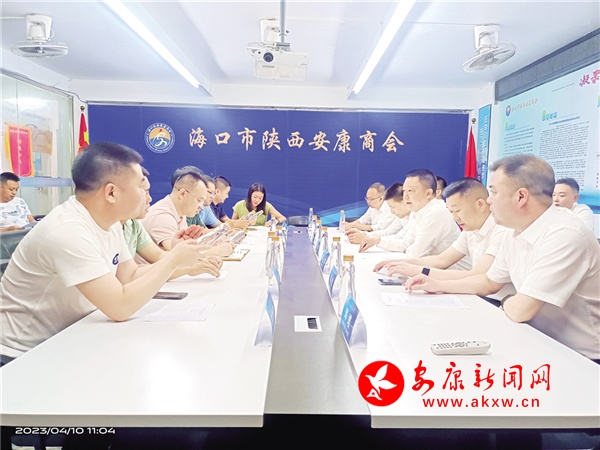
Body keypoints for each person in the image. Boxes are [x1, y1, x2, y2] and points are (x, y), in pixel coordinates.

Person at [0, 142, 206, 362]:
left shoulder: (111, 223)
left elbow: (130, 276)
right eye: (141, 187)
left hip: (71, 337)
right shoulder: (67, 231)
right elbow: (120, 307)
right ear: (111, 192)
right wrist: (173, 261)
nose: (147, 196)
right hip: (23, 355)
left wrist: (179, 261)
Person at [405, 155, 600, 362]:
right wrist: (438, 285)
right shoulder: (514, 231)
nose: (489, 200)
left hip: (581, 356)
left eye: (494, 192)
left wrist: (506, 300)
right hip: (538, 339)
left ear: (521, 196)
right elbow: (488, 281)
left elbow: (521, 310)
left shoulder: (565, 234)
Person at [374, 178, 506, 280]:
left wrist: (421, 271)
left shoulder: (501, 229)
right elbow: (442, 259)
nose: (455, 218)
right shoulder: (470, 229)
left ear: (480, 205)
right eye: (451, 212)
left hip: (494, 300)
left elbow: (478, 276)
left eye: (457, 210)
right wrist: (399, 263)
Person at [122, 168, 222, 278]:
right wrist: (191, 265)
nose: (149, 199)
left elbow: (160, 255)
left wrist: (195, 260)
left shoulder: (133, 224)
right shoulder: (161, 216)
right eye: (199, 200)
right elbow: (129, 275)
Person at [359, 169, 460, 257]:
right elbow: (405, 242)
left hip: (451, 272)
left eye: (410, 191)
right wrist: (376, 241)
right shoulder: (418, 212)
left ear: (428, 193)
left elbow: (416, 253)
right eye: (404, 191)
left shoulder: (436, 212)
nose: (405, 196)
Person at [141, 167, 209, 250]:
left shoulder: (180, 213)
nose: (201, 207)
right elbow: (176, 252)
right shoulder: (163, 216)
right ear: (182, 194)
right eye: (199, 200)